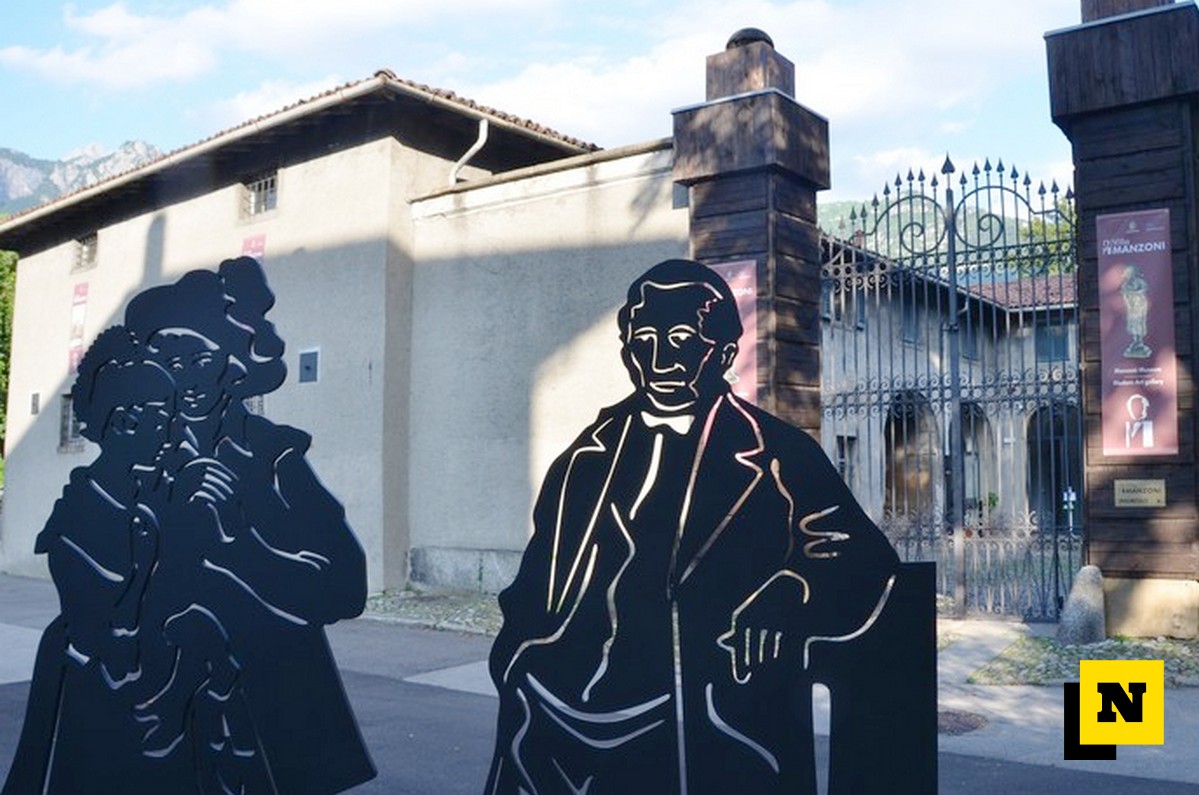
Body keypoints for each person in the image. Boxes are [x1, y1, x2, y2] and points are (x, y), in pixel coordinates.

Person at [486, 259, 899, 795]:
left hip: (707, 720)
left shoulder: (779, 453)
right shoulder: (583, 459)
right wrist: (516, 663)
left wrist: (790, 589)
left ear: (724, 352)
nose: (661, 359)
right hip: (557, 713)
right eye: (645, 341)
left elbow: (863, 558)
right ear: (627, 352)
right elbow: (535, 583)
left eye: (682, 339)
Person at [121, 256, 375, 795]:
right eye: (168, 361)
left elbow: (345, 587)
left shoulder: (272, 455)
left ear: (233, 364)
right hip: (160, 704)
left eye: (200, 358)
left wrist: (238, 544)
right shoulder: (137, 460)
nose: (185, 377)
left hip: (268, 707)